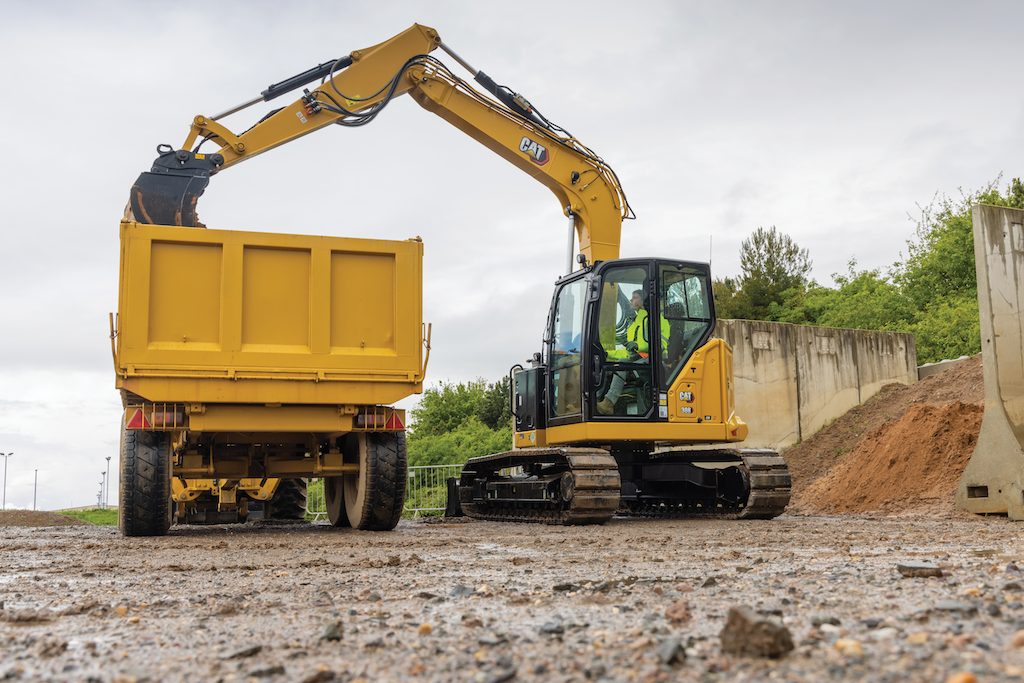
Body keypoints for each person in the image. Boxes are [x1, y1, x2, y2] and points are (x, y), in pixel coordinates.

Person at [597, 289, 649, 415]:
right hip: (637, 359)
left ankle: (609, 403)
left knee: (622, 365)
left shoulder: (652, 320)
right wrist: (607, 354)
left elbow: (661, 344)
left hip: (651, 361)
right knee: (606, 367)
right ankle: (597, 402)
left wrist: (639, 345)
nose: (631, 300)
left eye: (635, 297)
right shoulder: (634, 324)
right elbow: (628, 354)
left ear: (643, 302)